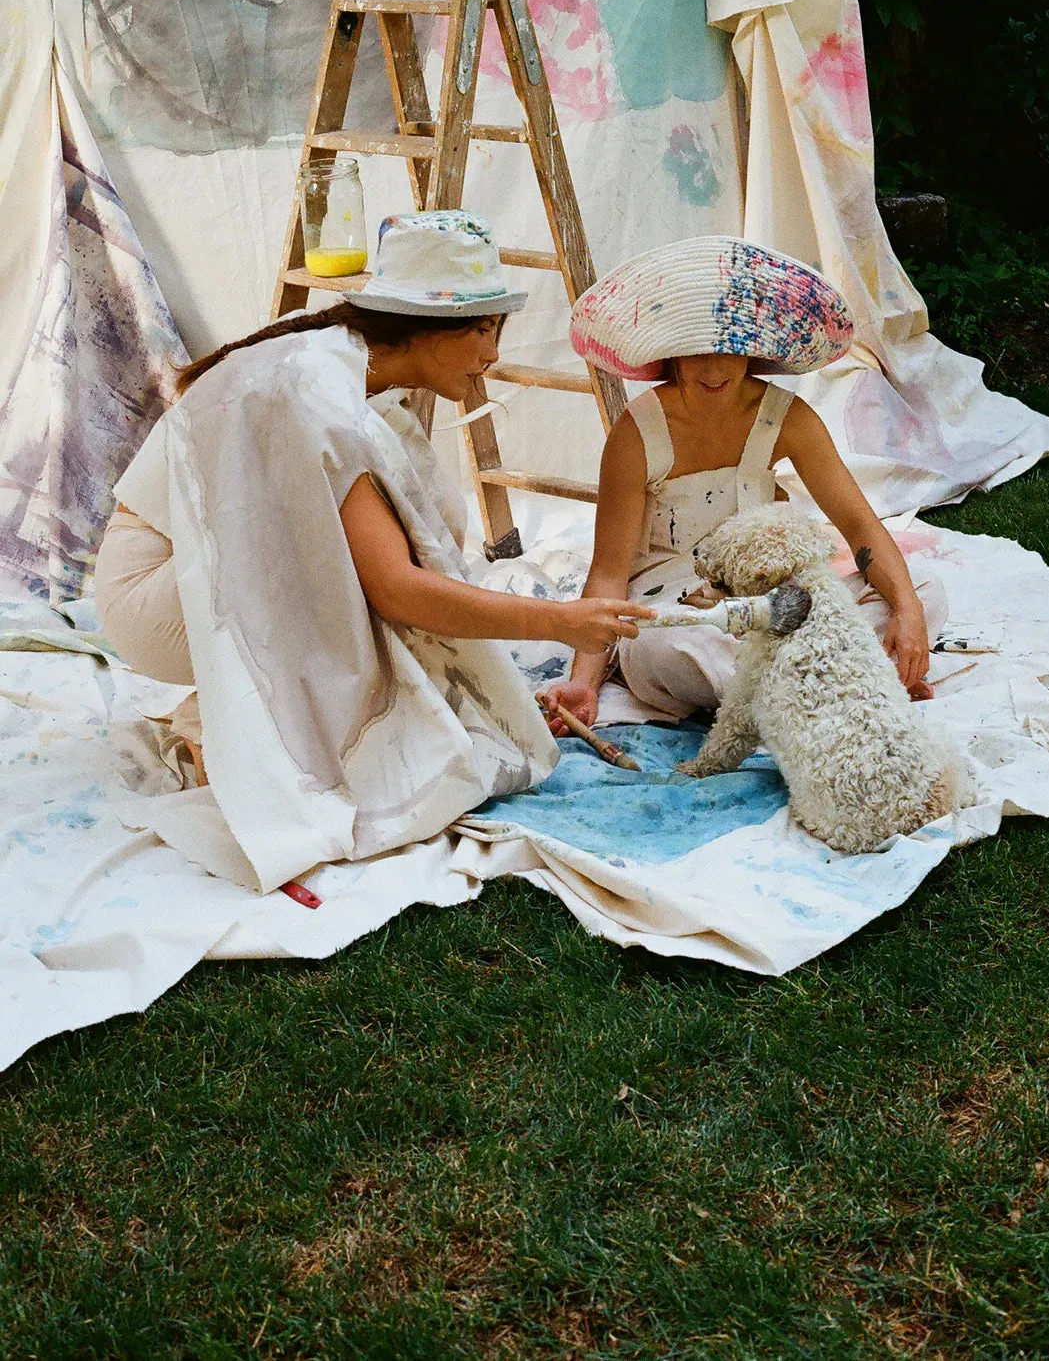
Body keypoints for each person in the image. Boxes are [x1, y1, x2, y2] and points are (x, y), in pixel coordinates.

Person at [93, 210, 652, 892]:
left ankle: (232, 711)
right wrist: (560, 622)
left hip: (191, 582)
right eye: (483, 329)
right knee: (361, 582)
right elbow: (399, 592)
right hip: (153, 597)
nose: (493, 354)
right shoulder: (318, 394)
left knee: (389, 536)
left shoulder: (345, 372)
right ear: (428, 330)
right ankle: (225, 725)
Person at [542, 235, 947, 734]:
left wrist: (907, 610)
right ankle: (841, 683)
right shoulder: (637, 434)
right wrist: (584, 681)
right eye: (697, 352)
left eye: (729, 350)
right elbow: (608, 572)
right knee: (670, 648)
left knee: (924, 594)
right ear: (671, 353)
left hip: (769, 600)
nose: (713, 369)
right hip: (677, 612)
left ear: (755, 350)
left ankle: (799, 688)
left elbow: (860, 523)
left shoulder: (788, 418)